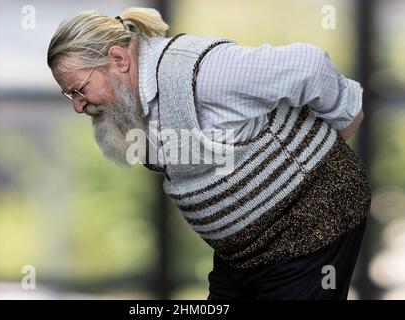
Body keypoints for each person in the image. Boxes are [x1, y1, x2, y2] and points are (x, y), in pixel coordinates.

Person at [47, 7, 372, 300]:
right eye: (69, 94)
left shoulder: (201, 71)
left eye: (79, 89)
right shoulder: (131, 103)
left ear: (119, 60)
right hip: (244, 253)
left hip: (311, 225)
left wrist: (344, 123)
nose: (78, 106)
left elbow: (308, 66)